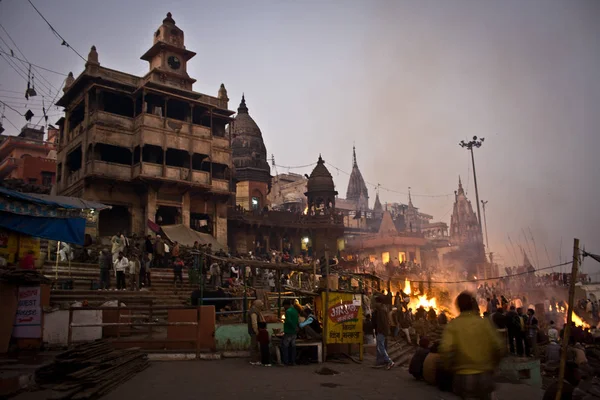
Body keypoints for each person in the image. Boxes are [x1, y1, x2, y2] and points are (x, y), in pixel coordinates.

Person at [439, 291, 504, 400]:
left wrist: (449, 367)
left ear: (458, 307)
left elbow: (445, 350)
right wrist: (494, 365)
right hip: (485, 375)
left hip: (463, 377)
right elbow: (499, 347)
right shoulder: (484, 323)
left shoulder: (453, 326)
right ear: (473, 305)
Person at [373, 296, 395, 369]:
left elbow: (384, 323)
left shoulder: (381, 311)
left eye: (376, 302)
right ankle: (380, 361)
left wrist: (385, 332)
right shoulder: (382, 310)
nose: (375, 304)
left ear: (379, 303)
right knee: (380, 347)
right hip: (382, 331)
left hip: (381, 331)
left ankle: (389, 361)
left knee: (381, 347)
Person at [247, 299, 265, 365]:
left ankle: (255, 359)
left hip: (253, 331)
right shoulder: (254, 312)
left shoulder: (255, 311)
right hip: (253, 331)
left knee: (255, 345)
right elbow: (254, 323)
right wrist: (256, 331)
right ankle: (253, 360)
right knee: (254, 345)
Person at [282, 299, 299, 366]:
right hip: (294, 332)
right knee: (293, 346)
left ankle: (286, 361)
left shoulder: (288, 311)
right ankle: (293, 361)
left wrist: (293, 327)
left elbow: (289, 321)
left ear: (286, 305)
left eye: (284, 306)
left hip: (288, 331)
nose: (284, 308)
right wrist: (296, 328)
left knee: (285, 346)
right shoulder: (295, 310)